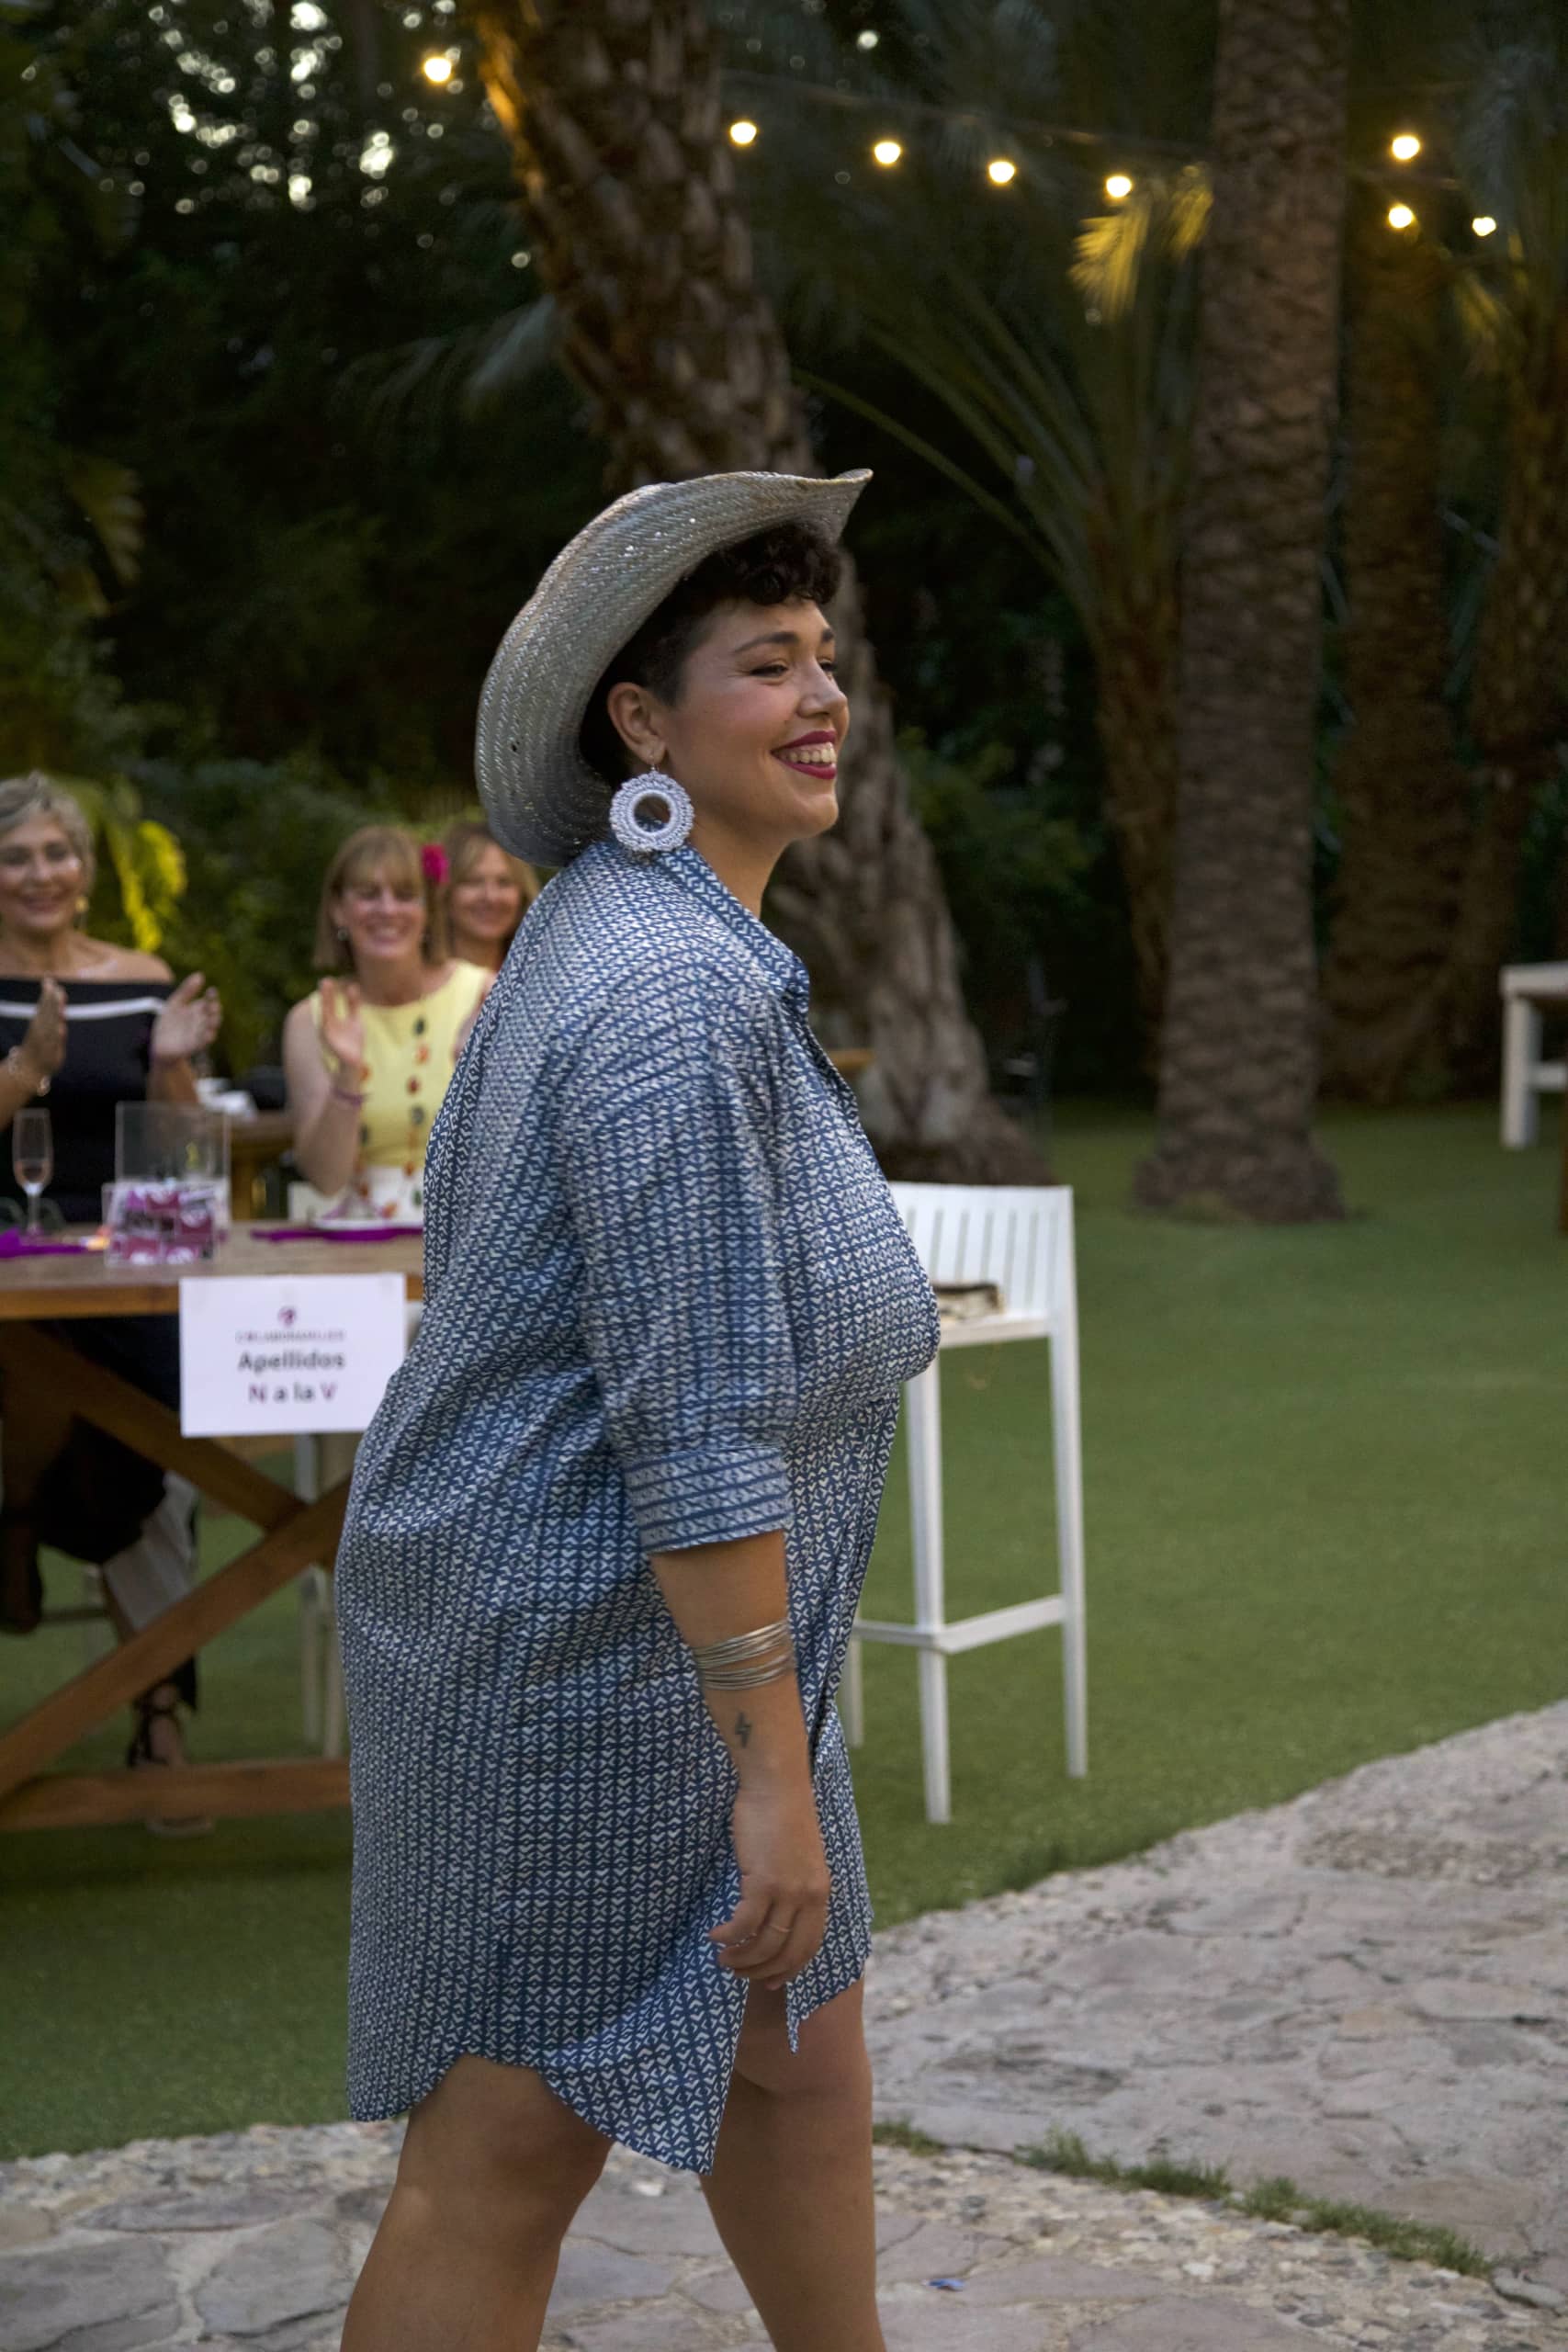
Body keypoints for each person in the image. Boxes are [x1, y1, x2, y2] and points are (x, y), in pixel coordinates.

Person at [336, 469, 940, 2352]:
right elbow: (690, 1428)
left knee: (791, 2049)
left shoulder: (656, 937)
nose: (819, 695)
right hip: (580, 1663)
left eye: (823, 655)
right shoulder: (667, 996)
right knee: (505, 2151)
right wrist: (768, 1771)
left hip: (687, 1650)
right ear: (642, 723)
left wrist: (767, 1744)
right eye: (765, 661)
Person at [0, 771, 221, 1799]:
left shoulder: (139, 979)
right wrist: (25, 1070)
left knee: (162, 1443)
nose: (38, 873)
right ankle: (20, 1503)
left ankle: (158, 1711)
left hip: (132, 1265)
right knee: (34, 1366)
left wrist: (171, 1063)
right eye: (16, 857)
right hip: (12, 1266)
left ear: (84, 870)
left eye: (56, 853)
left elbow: (184, 1156)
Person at [282, 826, 491, 1222]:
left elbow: (525, 1157)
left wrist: (483, 1079)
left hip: (470, 1232)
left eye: (406, 895)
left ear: (429, 909)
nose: (388, 910)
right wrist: (347, 1075)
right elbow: (326, 1179)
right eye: (368, 894)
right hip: (361, 1242)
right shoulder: (310, 1020)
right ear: (338, 909)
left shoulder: (483, 996)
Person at [439, 818, 539, 972]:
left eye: (504, 882)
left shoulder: (542, 975)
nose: (491, 897)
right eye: (473, 881)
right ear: (444, 891)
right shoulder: (417, 978)